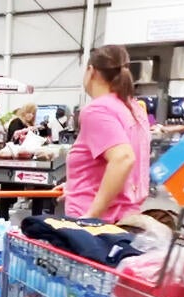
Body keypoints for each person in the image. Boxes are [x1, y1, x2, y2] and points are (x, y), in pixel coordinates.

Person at [63, 45, 151, 222]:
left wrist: (91, 215)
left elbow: (123, 158)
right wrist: (74, 184)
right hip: (126, 217)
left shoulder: (98, 110)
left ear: (91, 71)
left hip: (95, 226)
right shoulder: (134, 108)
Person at [0, 103, 52, 221]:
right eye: (30, 112)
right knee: (8, 190)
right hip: (14, 162)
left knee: (39, 187)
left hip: (30, 161)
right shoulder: (16, 122)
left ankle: (37, 217)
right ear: (25, 111)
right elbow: (14, 140)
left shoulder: (31, 125)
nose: (32, 115)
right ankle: (3, 217)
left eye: (34, 113)